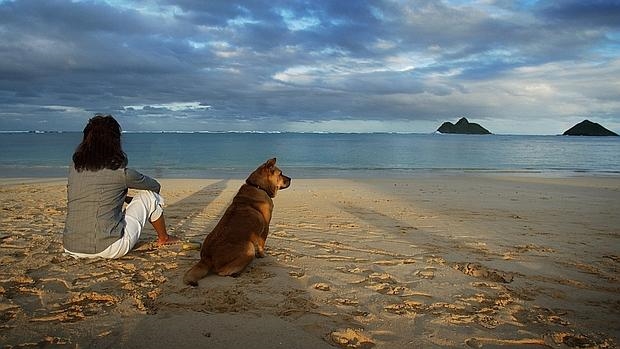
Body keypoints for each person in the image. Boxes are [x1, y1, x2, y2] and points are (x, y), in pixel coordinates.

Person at [63, 114, 179, 258]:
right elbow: (155, 187)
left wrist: (121, 196)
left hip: (71, 246)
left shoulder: (74, 167)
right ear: (115, 142)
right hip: (108, 248)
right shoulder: (121, 173)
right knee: (150, 197)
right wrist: (130, 198)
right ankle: (164, 238)